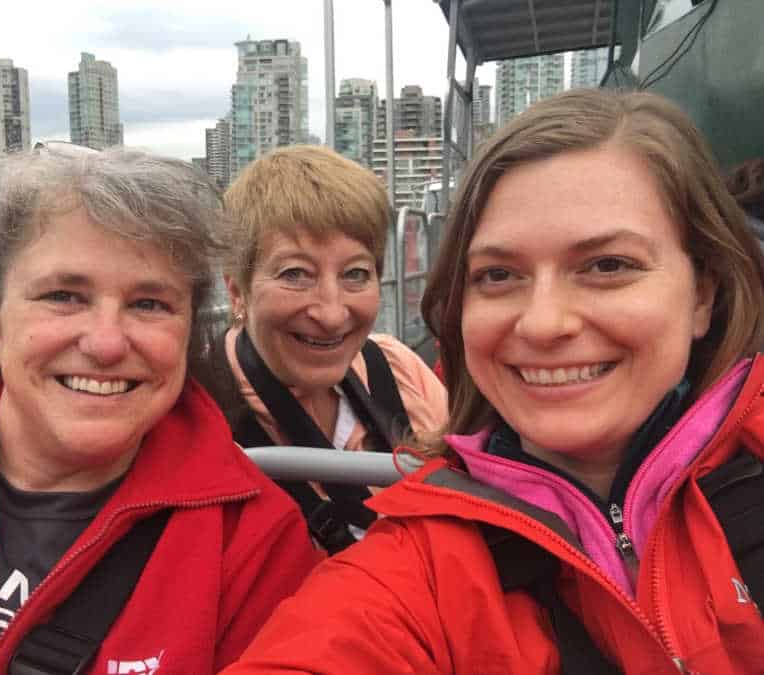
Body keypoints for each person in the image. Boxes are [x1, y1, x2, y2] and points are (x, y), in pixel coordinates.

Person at [221, 89, 764, 674]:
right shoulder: (419, 568)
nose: (544, 323)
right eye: (498, 274)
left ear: (703, 293)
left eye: (608, 265)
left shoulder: (395, 371)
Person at [0, 145, 320, 675]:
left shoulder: (252, 542)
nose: (106, 344)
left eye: (149, 304)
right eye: (64, 296)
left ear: (189, 332)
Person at [199, 145, 447, 555]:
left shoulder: (395, 367)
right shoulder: (202, 412)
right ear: (237, 291)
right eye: (295, 274)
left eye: (355, 274)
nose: (332, 315)